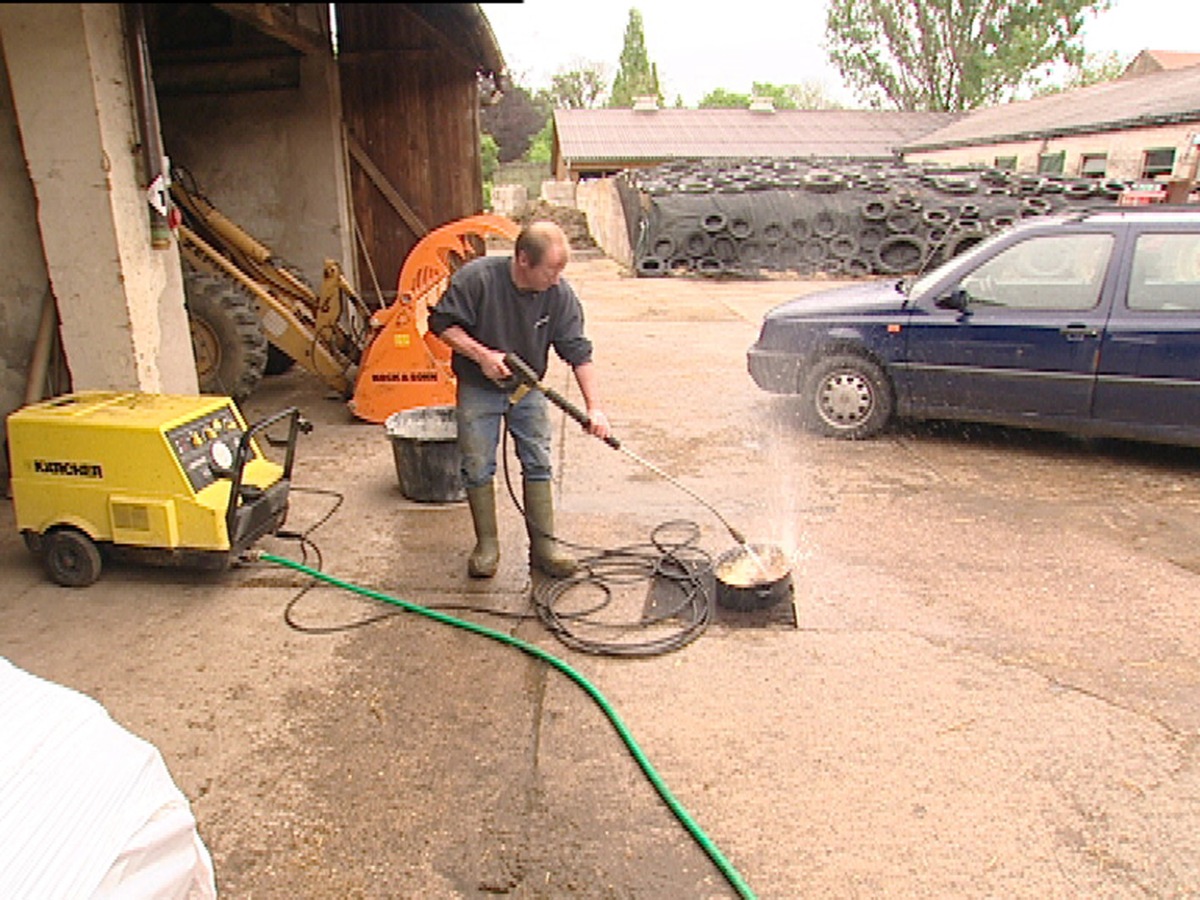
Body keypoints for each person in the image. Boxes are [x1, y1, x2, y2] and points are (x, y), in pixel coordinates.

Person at [427, 220, 611, 579]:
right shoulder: (477, 279)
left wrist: (595, 408)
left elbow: (578, 353)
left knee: (538, 462)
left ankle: (544, 548)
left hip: (527, 390)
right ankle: (487, 545)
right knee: (477, 465)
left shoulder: (559, 295)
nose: (556, 279)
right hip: (478, 388)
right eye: (551, 269)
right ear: (523, 259)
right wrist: (482, 355)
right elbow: (442, 324)